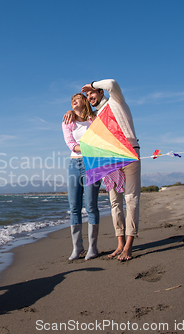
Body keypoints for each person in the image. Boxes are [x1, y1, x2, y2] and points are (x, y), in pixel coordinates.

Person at [64, 79, 140, 261]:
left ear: (100, 92)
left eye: (92, 93)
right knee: (114, 202)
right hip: (108, 159)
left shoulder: (115, 101)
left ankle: (128, 246)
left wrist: (92, 83)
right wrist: (71, 111)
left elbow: (112, 84)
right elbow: (76, 138)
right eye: (87, 95)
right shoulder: (96, 115)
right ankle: (119, 244)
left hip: (129, 153)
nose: (90, 97)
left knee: (130, 200)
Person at [62, 93, 101, 261]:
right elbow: (71, 144)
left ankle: (93, 247)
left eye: (77, 98)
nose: (73, 101)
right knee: (74, 207)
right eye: (71, 100)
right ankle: (77, 248)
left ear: (84, 101)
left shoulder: (95, 118)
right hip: (74, 165)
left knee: (91, 205)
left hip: (92, 164)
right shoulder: (68, 120)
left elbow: (100, 139)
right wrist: (87, 148)